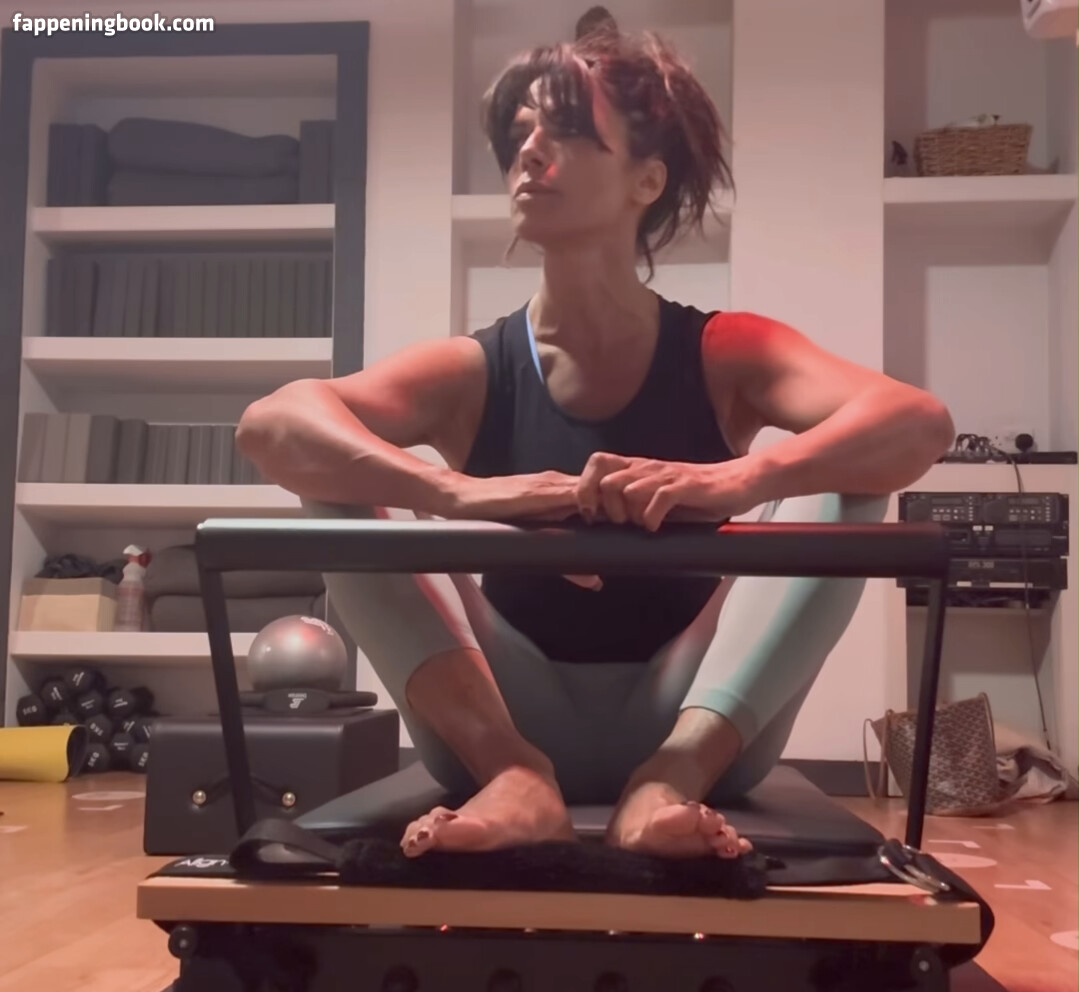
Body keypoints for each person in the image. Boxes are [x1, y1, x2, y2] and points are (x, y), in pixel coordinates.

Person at [236, 20, 955, 862]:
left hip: (696, 719)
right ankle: (517, 780)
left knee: (847, 474)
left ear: (647, 178)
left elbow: (916, 423)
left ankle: (665, 783)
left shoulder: (725, 350)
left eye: (569, 132)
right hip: (499, 718)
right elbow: (271, 425)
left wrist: (738, 481)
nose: (529, 151)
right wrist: (458, 494)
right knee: (336, 480)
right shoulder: (471, 369)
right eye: (521, 132)